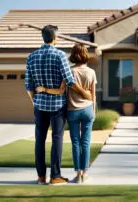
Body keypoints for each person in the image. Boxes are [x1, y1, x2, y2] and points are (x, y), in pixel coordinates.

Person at [25, 25, 91, 185]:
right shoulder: (60, 55)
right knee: (57, 138)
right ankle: (55, 176)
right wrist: (84, 93)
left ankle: (41, 177)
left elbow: (28, 86)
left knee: (39, 140)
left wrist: (36, 100)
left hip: (39, 106)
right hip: (57, 107)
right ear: (55, 38)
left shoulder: (31, 57)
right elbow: (69, 81)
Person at [36, 44, 96, 184]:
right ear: (86, 55)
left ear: (73, 56)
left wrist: (45, 89)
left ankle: (78, 174)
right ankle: (84, 174)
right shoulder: (91, 72)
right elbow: (93, 95)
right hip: (88, 110)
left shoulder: (69, 71)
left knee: (75, 142)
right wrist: (93, 111)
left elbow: (62, 90)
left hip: (72, 111)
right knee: (86, 142)